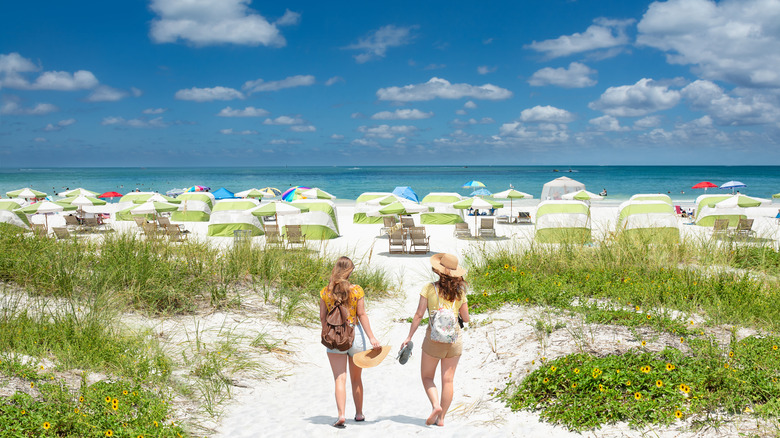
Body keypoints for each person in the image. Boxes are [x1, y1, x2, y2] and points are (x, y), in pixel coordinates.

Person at [400, 253, 470, 427]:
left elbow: (418, 315)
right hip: (454, 340)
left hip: (433, 339)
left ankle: (435, 405)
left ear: (439, 271)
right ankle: (442, 419)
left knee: (427, 377)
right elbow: (466, 318)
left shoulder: (429, 288)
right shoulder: (460, 292)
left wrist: (409, 337)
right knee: (448, 380)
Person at [320, 256, 381, 429]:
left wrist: (328, 333)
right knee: (356, 379)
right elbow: (362, 315)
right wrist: (371, 337)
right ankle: (359, 414)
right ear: (350, 271)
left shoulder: (326, 291)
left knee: (340, 379)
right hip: (355, 336)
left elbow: (322, 317)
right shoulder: (357, 290)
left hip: (334, 338)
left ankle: (341, 415)